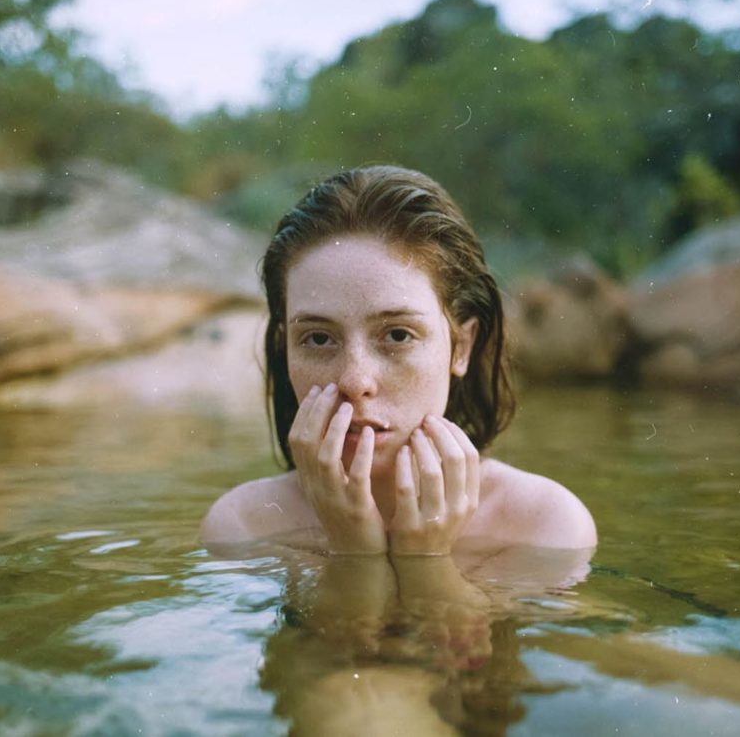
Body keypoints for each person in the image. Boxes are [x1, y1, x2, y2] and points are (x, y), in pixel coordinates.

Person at [200, 165, 596, 555]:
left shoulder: (545, 526)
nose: (355, 381)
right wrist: (354, 551)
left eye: (397, 335)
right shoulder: (243, 527)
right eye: (318, 338)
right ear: (286, 348)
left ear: (461, 347)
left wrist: (424, 558)